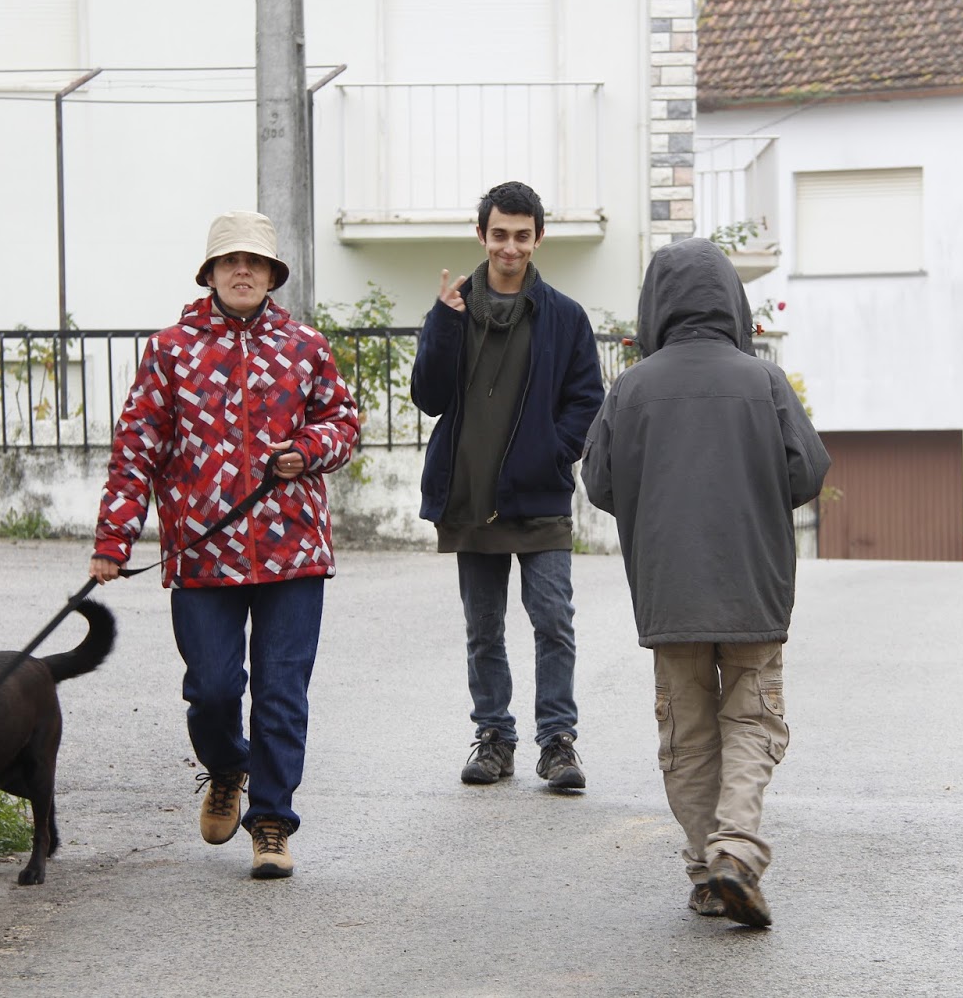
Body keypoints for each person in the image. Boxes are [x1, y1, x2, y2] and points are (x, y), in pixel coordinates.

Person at [89, 210, 359, 878]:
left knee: (281, 692)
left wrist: (307, 449)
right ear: (209, 273)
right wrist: (114, 538)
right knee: (211, 690)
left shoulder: (306, 346)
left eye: (255, 261)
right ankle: (227, 767)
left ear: (272, 275)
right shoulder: (170, 350)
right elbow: (136, 448)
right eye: (231, 261)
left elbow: (343, 424)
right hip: (201, 554)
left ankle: (271, 821)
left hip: (293, 553)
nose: (243, 271)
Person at [581, 238, 829, 927]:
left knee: (687, 733)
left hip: (669, 590)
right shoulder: (764, 381)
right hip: (753, 583)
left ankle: (705, 871)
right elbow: (807, 471)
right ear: (732, 303)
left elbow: (599, 483)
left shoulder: (630, 388)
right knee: (751, 719)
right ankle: (735, 852)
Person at [410, 180, 605, 790]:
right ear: (481, 235)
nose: (510, 247)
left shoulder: (565, 316)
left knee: (553, 619)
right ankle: (494, 737)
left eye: (522, 236)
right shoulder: (453, 309)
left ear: (539, 238)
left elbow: (587, 402)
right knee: (483, 628)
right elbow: (427, 397)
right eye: (500, 235)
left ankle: (558, 743)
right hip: (470, 496)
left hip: (540, 495)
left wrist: (552, 454)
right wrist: (443, 324)